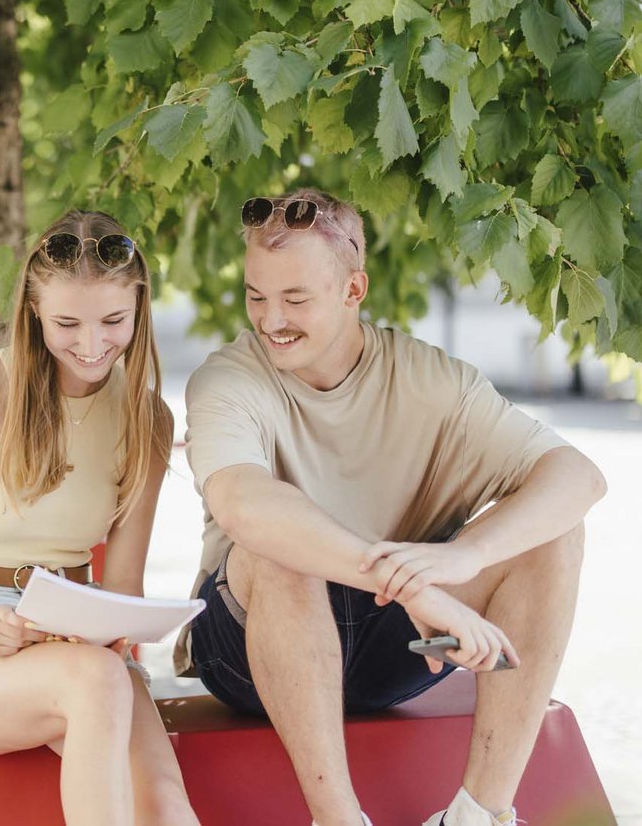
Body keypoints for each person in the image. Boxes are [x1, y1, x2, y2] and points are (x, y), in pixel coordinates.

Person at [177, 189, 607, 826]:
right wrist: (407, 584)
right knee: (279, 547)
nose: (271, 320)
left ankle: (480, 814)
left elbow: (578, 476)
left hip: (398, 643)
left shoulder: (433, 382)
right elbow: (243, 503)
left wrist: (458, 561)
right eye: (256, 295)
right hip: (247, 644)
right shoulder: (229, 378)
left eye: (295, 299)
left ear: (354, 290)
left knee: (553, 535)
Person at [0, 211, 199, 826]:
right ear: (33, 311)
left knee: (163, 802)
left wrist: (111, 627)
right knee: (99, 682)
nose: (92, 345)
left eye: (113, 320)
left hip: (78, 639)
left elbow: (123, 586)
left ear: (139, 304)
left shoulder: (149, 421)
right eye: (67, 323)